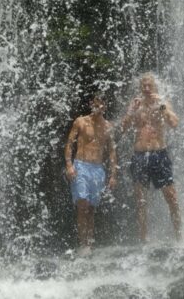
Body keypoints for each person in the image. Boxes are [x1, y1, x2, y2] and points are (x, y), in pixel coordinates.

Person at [121, 73, 182, 242]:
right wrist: (131, 111)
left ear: (155, 87)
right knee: (141, 202)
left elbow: (174, 123)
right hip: (140, 155)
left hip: (159, 154)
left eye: (150, 86)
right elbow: (123, 128)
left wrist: (161, 105)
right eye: (144, 86)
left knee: (172, 199)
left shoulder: (162, 103)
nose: (147, 89)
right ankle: (143, 240)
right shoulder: (136, 105)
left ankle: (179, 238)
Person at [65, 95, 117, 255]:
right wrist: (69, 165)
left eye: (101, 104)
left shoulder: (108, 126)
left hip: (98, 169)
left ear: (105, 107)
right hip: (80, 166)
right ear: (91, 105)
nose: (98, 107)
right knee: (82, 205)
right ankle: (82, 244)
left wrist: (113, 175)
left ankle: (90, 244)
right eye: (95, 104)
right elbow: (69, 144)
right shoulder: (81, 121)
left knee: (92, 209)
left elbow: (112, 151)